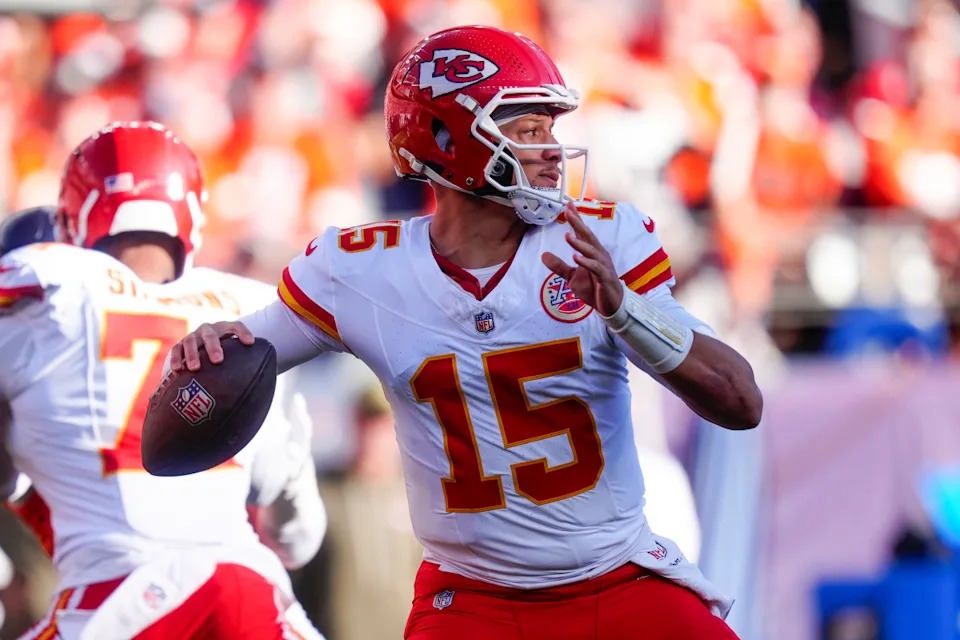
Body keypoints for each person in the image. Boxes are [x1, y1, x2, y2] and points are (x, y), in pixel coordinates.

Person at [170, 26, 763, 640]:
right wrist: (204, 345)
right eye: (528, 130)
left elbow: (741, 400)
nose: (552, 149)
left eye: (550, 129)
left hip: (616, 580)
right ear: (447, 138)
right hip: (475, 602)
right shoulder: (362, 270)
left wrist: (624, 311)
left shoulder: (601, 242)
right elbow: (239, 352)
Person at [0, 121, 326, 639]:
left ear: (74, 217)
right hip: (254, 589)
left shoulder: (47, 281)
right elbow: (298, 538)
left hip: (124, 594)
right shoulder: (248, 308)